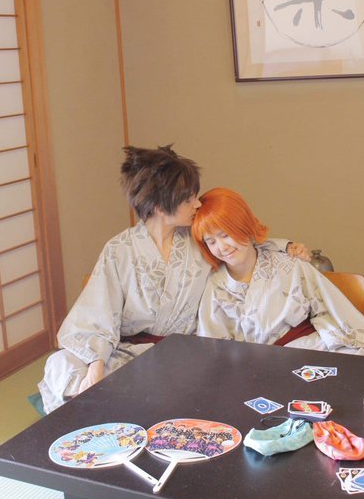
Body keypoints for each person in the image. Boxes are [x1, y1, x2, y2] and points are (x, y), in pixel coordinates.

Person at [39, 146, 309, 413]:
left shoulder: (198, 237)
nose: (198, 204)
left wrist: (285, 246)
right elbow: (97, 313)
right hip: (130, 354)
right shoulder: (119, 250)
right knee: (60, 365)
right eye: (189, 199)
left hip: (186, 354)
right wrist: (95, 369)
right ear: (159, 206)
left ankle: (113, 406)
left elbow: (237, 242)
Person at [191, 187, 364, 357]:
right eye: (211, 241)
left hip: (310, 351)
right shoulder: (216, 286)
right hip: (253, 366)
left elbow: (331, 310)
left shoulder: (290, 265)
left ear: (244, 226)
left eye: (225, 235)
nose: (222, 247)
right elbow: (213, 347)